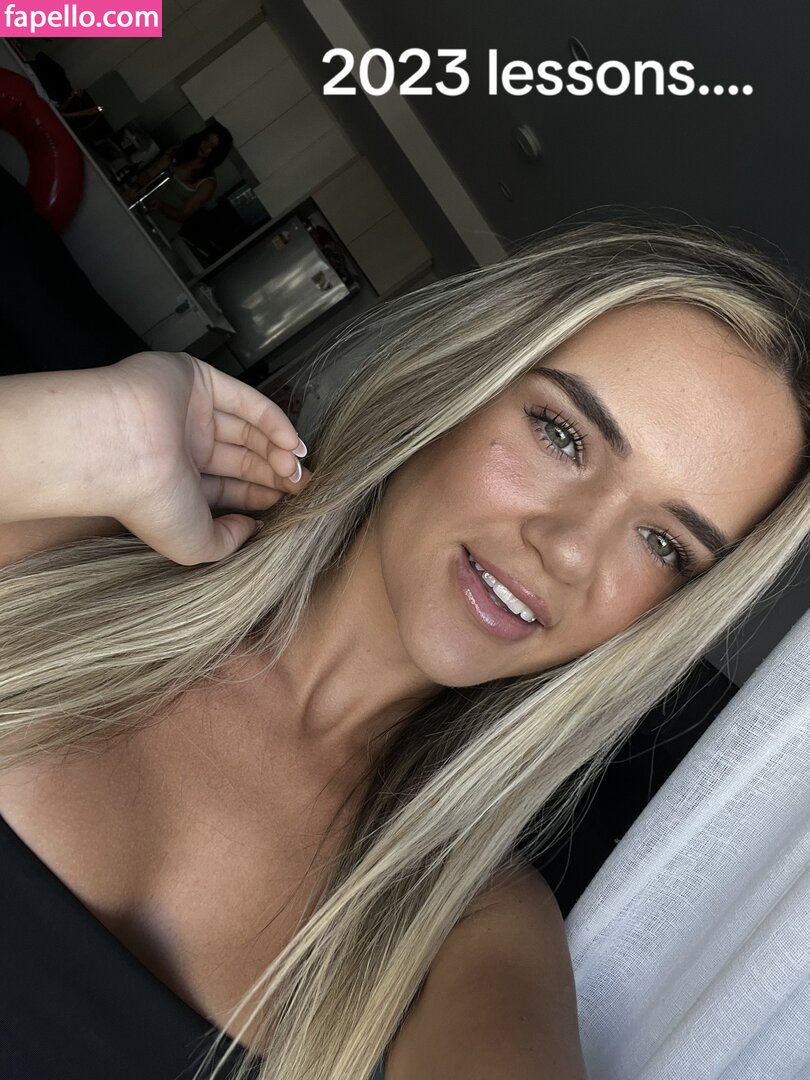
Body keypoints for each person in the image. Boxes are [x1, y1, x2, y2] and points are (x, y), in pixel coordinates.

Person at [0, 217, 808, 1080]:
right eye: (563, 435)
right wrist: (74, 436)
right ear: (455, 380)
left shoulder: (470, 935)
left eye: (663, 545)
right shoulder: (48, 557)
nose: (570, 552)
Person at [135, 121, 234, 242]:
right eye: (206, 140)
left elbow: (183, 215)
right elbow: (147, 175)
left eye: (212, 147)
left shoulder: (207, 183)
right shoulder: (178, 152)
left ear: (217, 153)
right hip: (138, 209)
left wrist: (162, 207)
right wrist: (157, 169)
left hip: (159, 230)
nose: (205, 146)